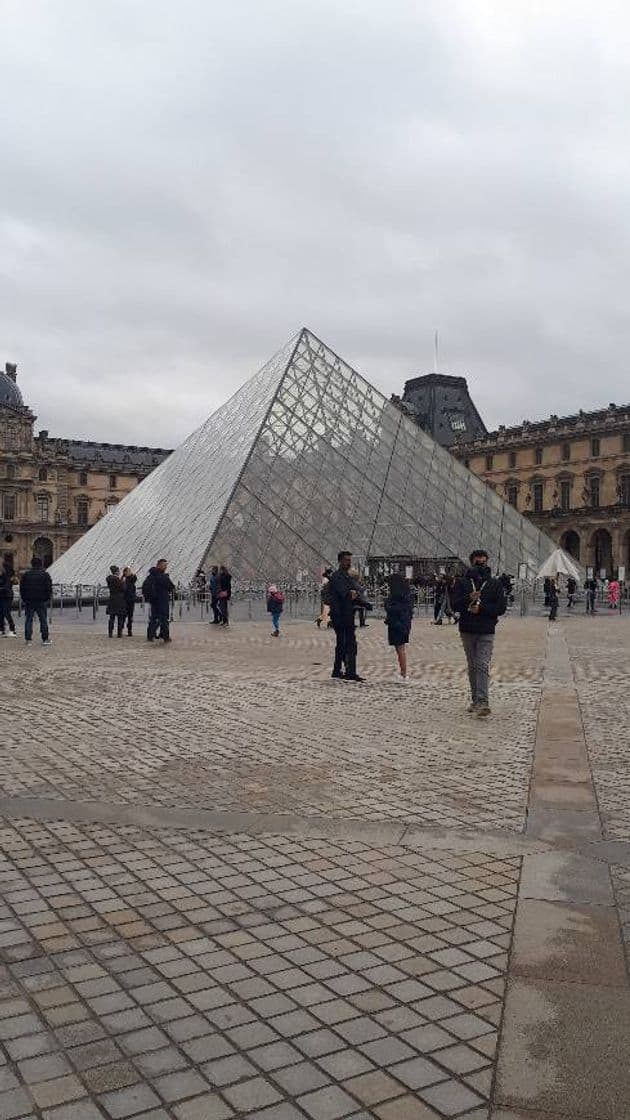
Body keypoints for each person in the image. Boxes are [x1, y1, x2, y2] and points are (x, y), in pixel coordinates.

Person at [452, 549, 507, 717]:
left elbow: (501, 608)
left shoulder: (494, 584)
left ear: (487, 561)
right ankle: (476, 700)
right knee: (473, 666)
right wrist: (469, 598)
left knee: (482, 664)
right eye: (477, 562)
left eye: (483, 561)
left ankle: (483, 702)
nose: (480, 564)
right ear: (471, 562)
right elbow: (454, 605)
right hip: (467, 629)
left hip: (486, 630)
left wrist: (481, 608)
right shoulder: (462, 582)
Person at [328, 550, 370, 682]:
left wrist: (365, 603)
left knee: (345, 643)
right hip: (340, 616)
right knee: (347, 643)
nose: (349, 563)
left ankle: (338, 671)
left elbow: (355, 592)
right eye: (346, 560)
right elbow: (345, 593)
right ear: (340, 561)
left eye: (350, 560)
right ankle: (349, 672)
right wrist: (352, 594)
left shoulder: (346, 576)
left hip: (347, 615)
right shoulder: (336, 576)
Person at [384, 572, 413, 683]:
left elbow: (393, 609)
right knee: (400, 649)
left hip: (397, 624)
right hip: (402, 624)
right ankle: (403, 671)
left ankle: (404, 672)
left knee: (400, 649)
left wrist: (387, 604)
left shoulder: (397, 597)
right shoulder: (405, 594)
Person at [20, 557, 52, 646]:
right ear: (41, 564)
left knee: (28, 620)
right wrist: (47, 598)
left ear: (32, 564)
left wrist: (24, 598)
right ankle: (45, 639)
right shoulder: (45, 574)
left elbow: (21, 588)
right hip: (41, 600)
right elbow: (49, 588)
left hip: (29, 600)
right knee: (43, 620)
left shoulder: (26, 574)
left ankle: (28, 640)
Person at [143, 559, 175, 642]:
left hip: (154, 601)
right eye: (164, 565)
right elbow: (171, 586)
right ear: (159, 565)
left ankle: (150, 635)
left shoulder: (150, 576)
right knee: (164, 619)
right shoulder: (163, 576)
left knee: (154, 618)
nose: (166, 567)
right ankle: (165, 637)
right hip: (162, 600)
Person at [106, 565, 126, 638]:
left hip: (112, 599)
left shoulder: (109, 579)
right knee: (120, 617)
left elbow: (116, 584)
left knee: (112, 617)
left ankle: (110, 633)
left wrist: (121, 579)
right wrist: (123, 582)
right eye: (118, 571)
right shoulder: (118, 580)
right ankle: (119, 634)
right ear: (117, 571)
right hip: (119, 599)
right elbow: (123, 588)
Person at [0, 563, 17, 637]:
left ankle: (12, 629)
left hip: (6, 596)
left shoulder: (7, 576)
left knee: (6, 612)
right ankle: (1, 629)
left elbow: (6, 587)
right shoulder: (5, 575)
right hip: (3, 595)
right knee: (1, 613)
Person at [122, 567, 137, 635]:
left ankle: (129, 630)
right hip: (125, 600)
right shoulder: (124, 580)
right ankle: (121, 628)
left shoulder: (131, 579)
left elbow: (134, 578)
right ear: (125, 572)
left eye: (130, 571)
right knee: (124, 615)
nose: (130, 572)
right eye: (128, 571)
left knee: (130, 616)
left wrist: (132, 574)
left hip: (131, 600)